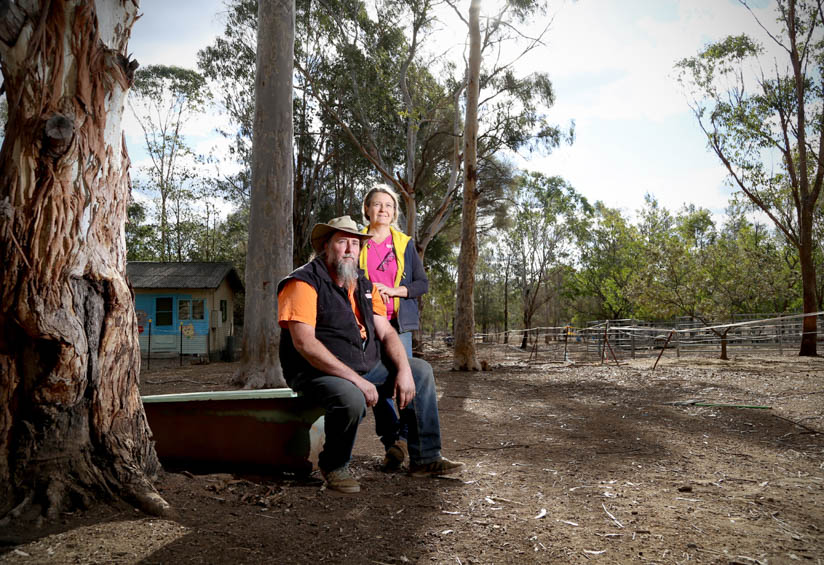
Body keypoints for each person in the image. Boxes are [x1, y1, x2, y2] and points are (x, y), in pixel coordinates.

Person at [277, 215, 463, 493]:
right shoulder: (303, 282)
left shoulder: (363, 285)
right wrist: (359, 381)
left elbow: (387, 333)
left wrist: (402, 370)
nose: (351, 250)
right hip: (315, 371)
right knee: (351, 397)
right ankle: (335, 464)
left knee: (420, 371)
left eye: (356, 243)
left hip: (361, 364)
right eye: (343, 242)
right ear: (326, 247)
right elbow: (305, 344)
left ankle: (425, 459)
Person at [359, 184, 429, 472]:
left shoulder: (404, 243)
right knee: (377, 384)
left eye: (388, 205)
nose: (383, 210)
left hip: (398, 325)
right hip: (365, 324)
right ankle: (392, 443)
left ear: (395, 211)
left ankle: (405, 442)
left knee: (406, 382)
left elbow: (421, 284)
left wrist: (395, 290)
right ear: (367, 209)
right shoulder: (356, 241)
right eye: (377, 204)